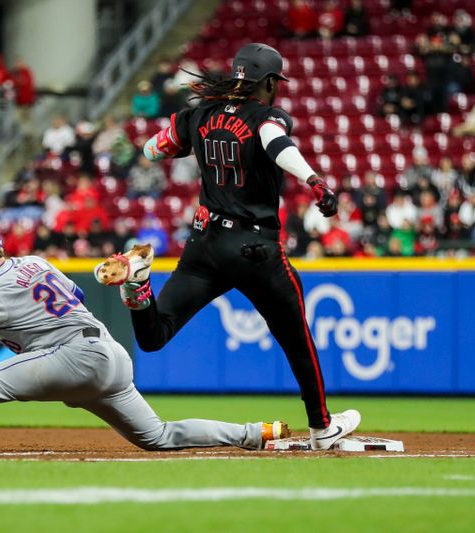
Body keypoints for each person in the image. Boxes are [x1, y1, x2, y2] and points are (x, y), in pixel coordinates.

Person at [93, 43, 361, 450]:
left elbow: (152, 149)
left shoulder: (198, 114)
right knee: (296, 339)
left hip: (205, 244)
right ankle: (322, 428)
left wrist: (192, 138)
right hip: (254, 248)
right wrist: (314, 181)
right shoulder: (266, 116)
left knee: (154, 335)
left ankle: (138, 287)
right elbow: (276, 144)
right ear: (269, 82)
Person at [0, 220, 289, 449]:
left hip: (76, 356)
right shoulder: (36, 262)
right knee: (158, 436)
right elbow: (73, 292)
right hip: (109, 355)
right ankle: (257, 432)